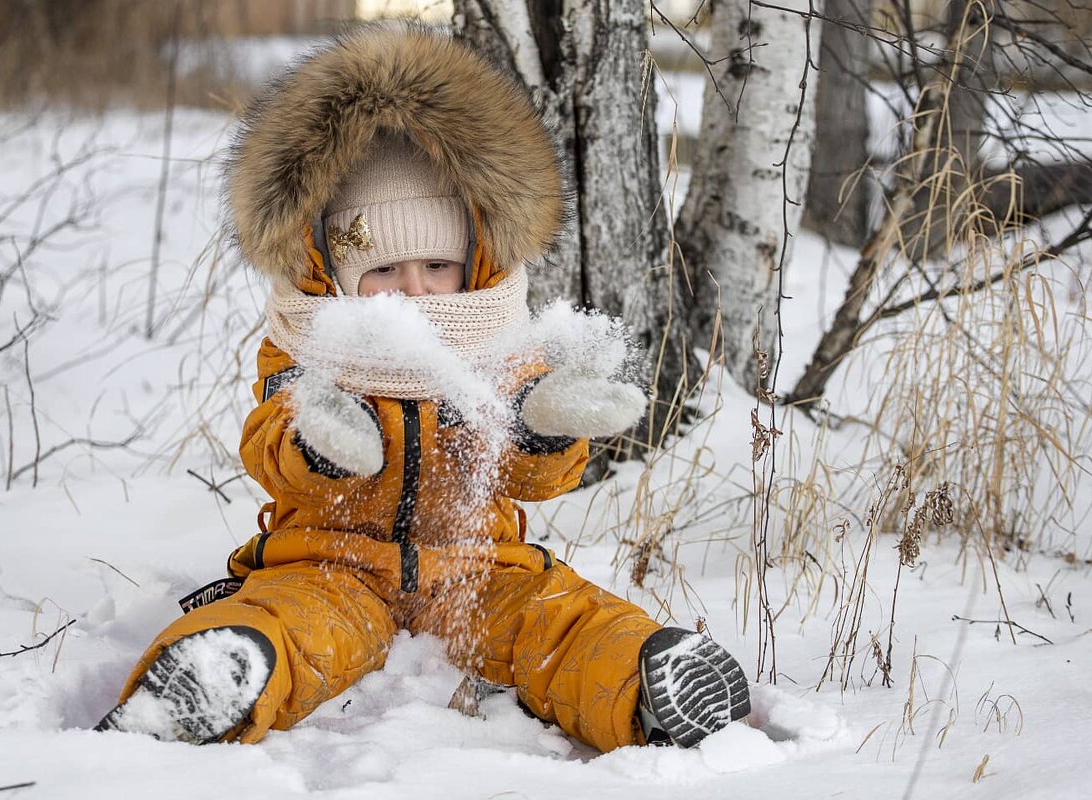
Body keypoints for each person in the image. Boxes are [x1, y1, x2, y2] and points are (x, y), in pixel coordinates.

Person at [97, 23, 749, 752]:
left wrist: (543, 426)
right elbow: (269, 444)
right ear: (336, 274)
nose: (413, 289)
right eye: (382, 269)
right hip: (330, 565)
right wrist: (322, 442)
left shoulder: (497, 340)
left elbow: (532, 479)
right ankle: (211, 677)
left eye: (436, 264)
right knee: (293, 624)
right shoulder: (307, 337)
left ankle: (654, 683)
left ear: (472, 263)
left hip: (477, 567)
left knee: (558, 620)